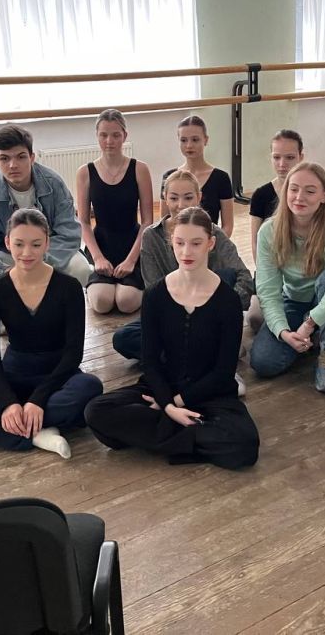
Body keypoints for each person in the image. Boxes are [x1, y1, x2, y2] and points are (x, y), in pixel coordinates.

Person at [85, 207, 259, 470]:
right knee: (96, 412)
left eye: (196, 243)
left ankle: (160, 437)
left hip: (211, 394)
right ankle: (190, 438)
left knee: (245, 446)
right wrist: (167, 402)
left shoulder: (228, 300)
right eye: (179, 243)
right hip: (161, 387)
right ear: (171, 243)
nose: (186, 252)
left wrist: (174, 404)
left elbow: (223, 373)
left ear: (210, 244)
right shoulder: (155, 294)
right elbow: (151, 362)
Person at [0, 209, 103, 458]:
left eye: (36, 244)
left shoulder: (69, 288)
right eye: (19, 244)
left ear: (47, 243)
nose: (27, 253)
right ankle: (38, 433)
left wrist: (37, 400)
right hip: (13, 375)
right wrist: (8, 403)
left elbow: (73, 354)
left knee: (90, 387)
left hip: (58, 377)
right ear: (7, 243)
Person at [111, 169, 253, 361]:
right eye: (174, 198)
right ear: (165, 199)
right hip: (171, 315)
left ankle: (189, 352)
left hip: (208, 312)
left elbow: (244, 276)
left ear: (199, 197)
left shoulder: (214, 233)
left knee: (227, 276)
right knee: (123, 338)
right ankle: (206, 351)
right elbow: (153, 290)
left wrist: (223, 310)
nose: (180, 205)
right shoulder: (151, 236)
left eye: (188, 197)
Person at [250, 162, 325, 394]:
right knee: (263, 362)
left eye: (310, 191)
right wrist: (283, 332)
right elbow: (268, 290)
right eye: (294, 189)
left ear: (324, 196)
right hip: (294, 301)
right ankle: (313, 339)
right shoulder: (269, 231)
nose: (299, 197)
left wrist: (309, 323)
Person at [0, 124, 90, 300]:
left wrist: (41, 263)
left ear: (32, 157)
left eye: (21, 157)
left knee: (81, 268)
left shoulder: (53, 183)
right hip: (7, 256)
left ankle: (47, 304)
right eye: (4, 158)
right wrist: (2, 271)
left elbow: (69, 232)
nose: (13, 165)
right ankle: (9, 305)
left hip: (47, 253)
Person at [76, 109, 153, 314]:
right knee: (102, 303)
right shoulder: (85, 172)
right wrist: (98, 258)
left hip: (133, 244)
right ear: (97, 136)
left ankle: (134, 283)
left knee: (126, 302)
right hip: (102, 244)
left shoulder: (140, 169)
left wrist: (131, 260)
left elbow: (147, 221)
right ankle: (102, 283)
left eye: (116, 135)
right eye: (104, 135)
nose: (109, 141)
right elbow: (83, 221)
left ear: (125, 136)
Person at [247, 130, 304, 332]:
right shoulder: (261, 195)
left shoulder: (308, 194)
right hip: (270, 271)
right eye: (276, 157)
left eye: (289, 158)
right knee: (255, 318)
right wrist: (268, 277)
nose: (282, 164)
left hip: (303, 276)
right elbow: (255, 243)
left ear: (301, 157)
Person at [160, 115, 234, 237]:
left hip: (210, 244)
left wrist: (210, 244)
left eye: (195, 140)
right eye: (183, 140)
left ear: (206, 140)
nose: (189, 145)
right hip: (175, 244)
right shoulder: (169, 177)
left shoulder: (221, 178)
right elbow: (164, 223)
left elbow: (228, 226)